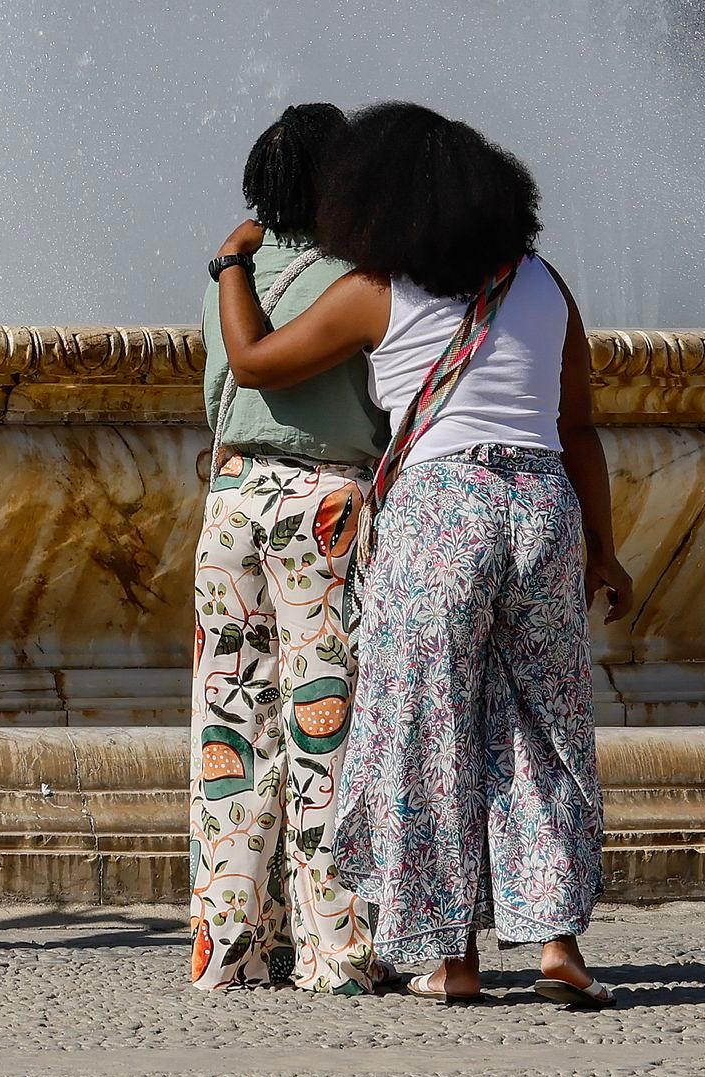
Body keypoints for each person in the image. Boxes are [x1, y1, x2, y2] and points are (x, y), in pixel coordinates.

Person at [211, 102, 633, 1007]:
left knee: (425, 732)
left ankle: (451, 959)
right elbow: (580, 429)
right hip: (543, 507)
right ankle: (559, 945)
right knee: (545, 729)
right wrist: (605, 551)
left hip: (441, 509)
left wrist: (230, 262)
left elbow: (252, 362)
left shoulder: (376, 290)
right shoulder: (543, 283)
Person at [189, 103, 389, 995]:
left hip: (232, 503)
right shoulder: (366, 277)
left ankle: (230, 948)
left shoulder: (228, 274)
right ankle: (337, 951)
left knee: (229, 725)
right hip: (325, 506)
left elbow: (217, 391)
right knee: (327, 724)